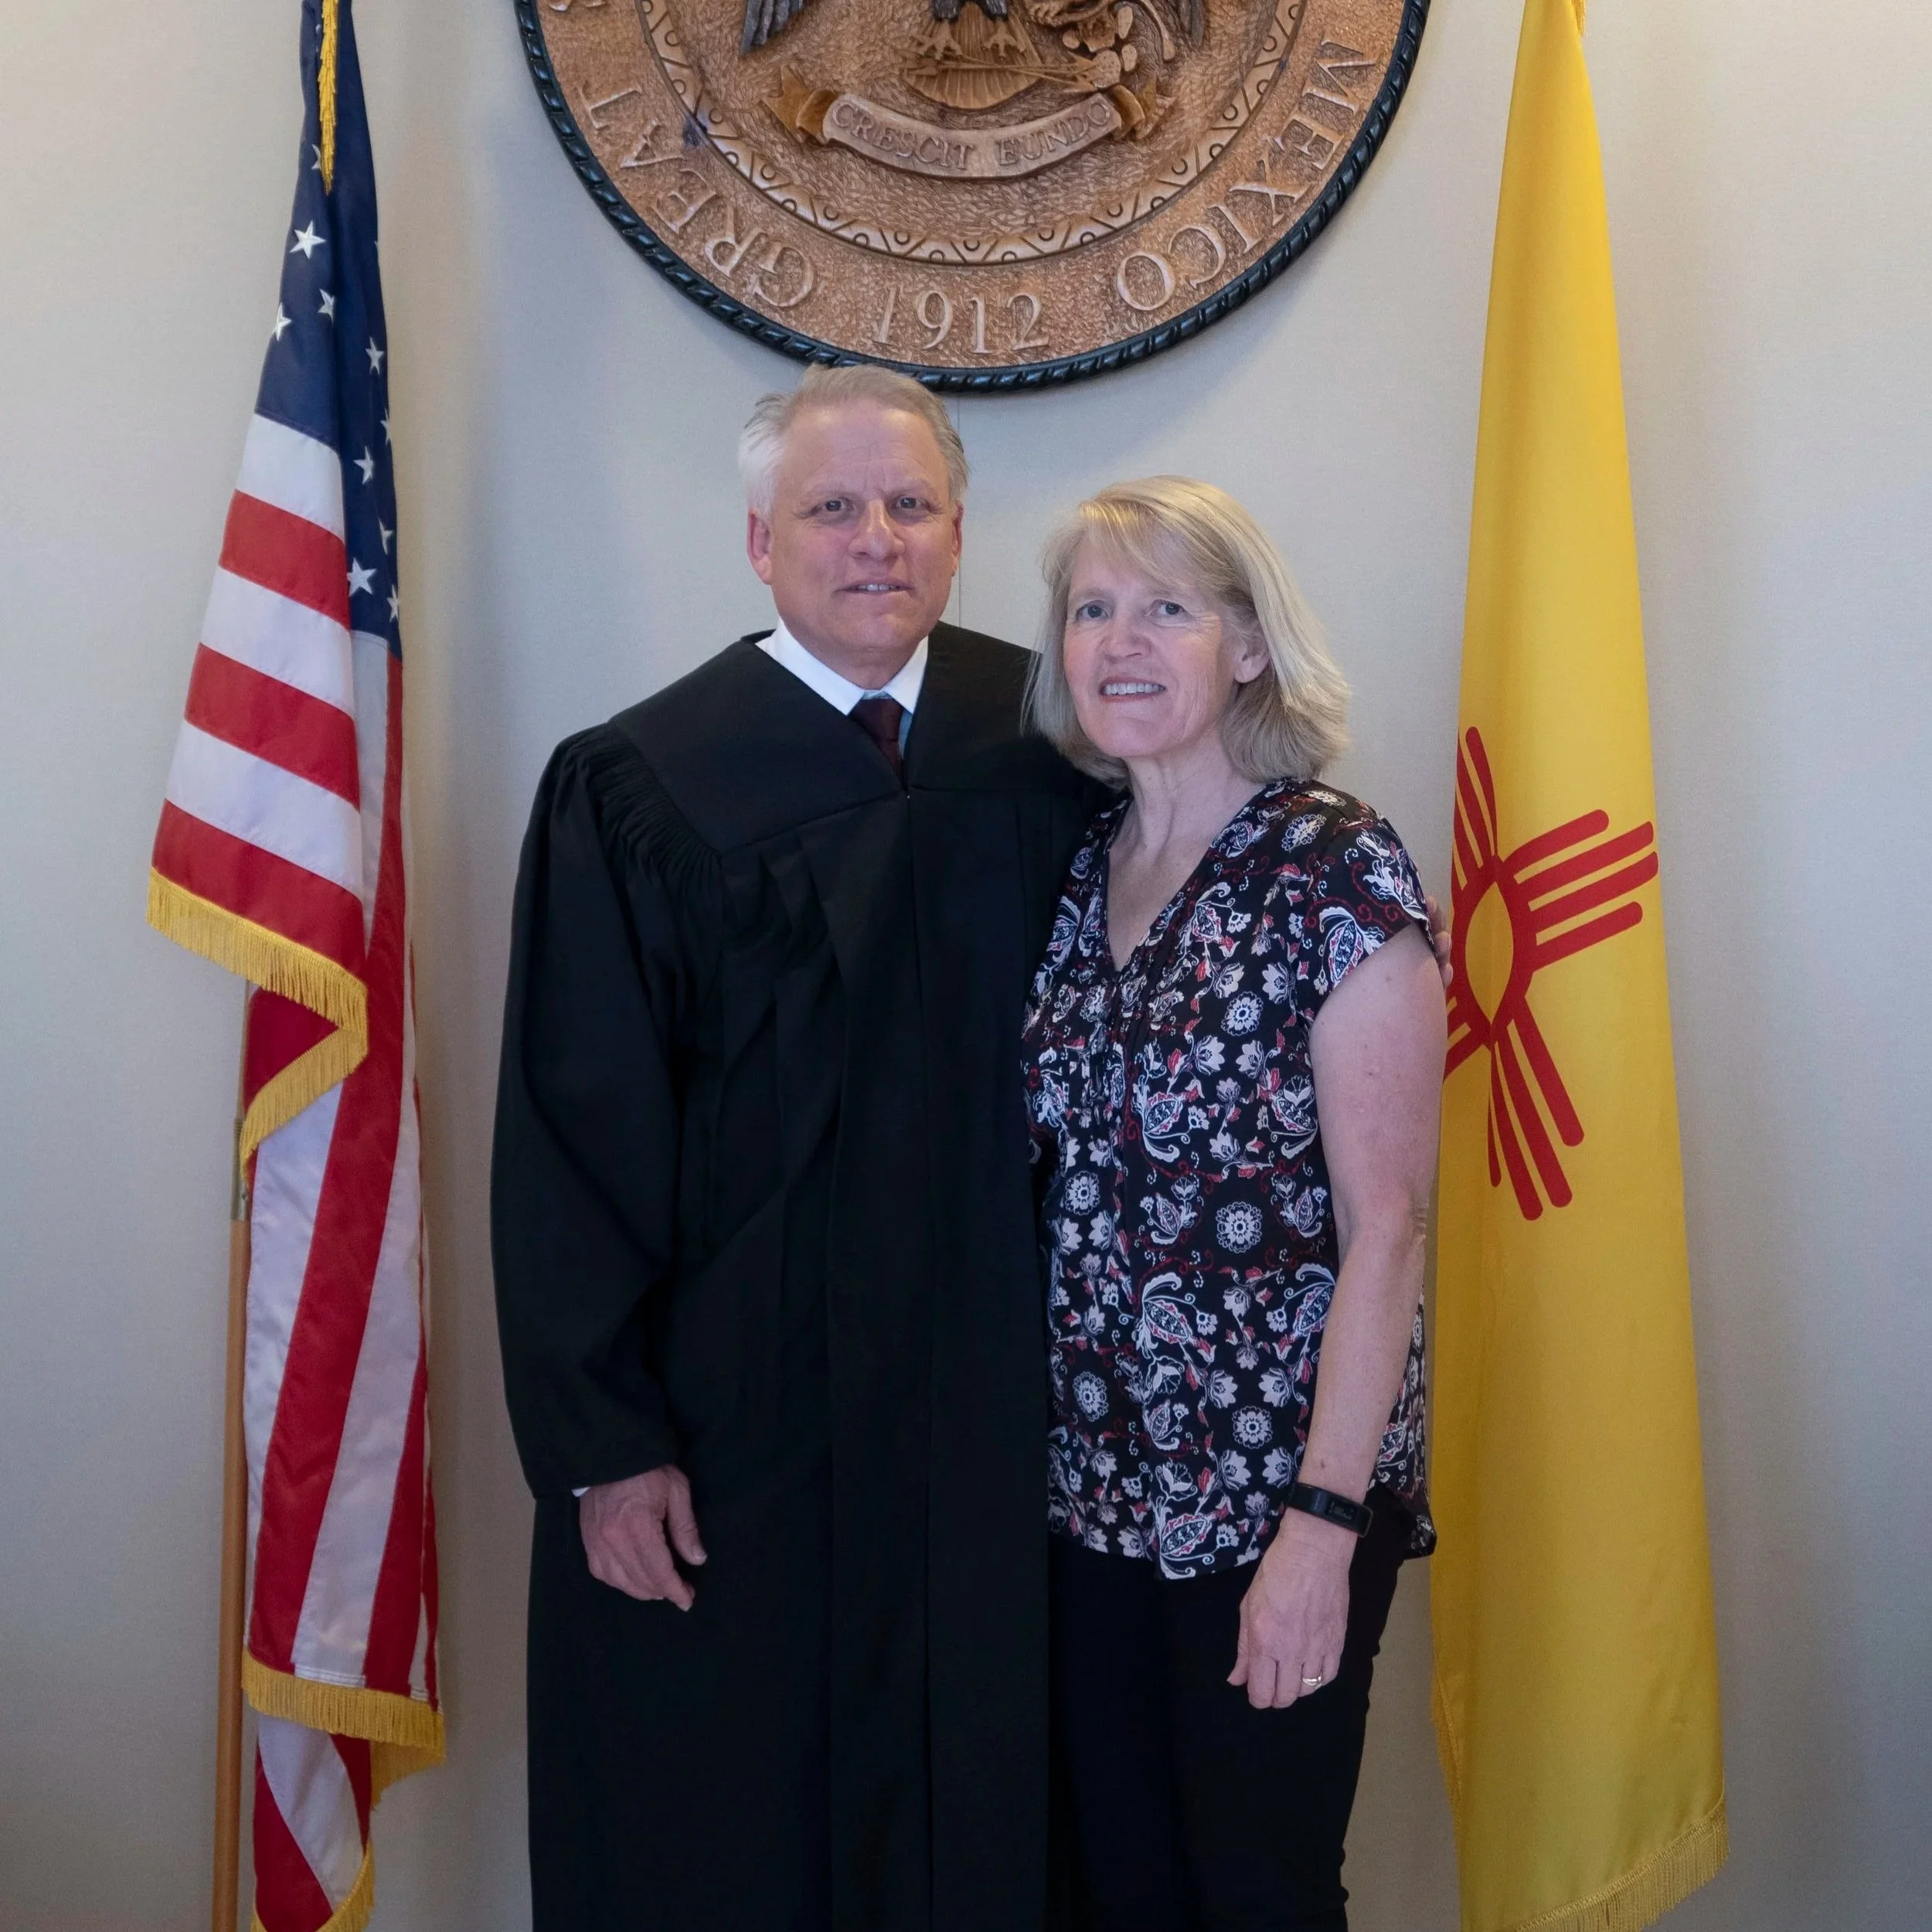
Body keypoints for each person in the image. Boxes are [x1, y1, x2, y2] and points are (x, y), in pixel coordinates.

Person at [490, 364, 1105, 1931]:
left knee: (1008, 1795)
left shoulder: (1053, 744)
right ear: (761, 540)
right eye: (832, 507)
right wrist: (604, 1441)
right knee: (732, 1813)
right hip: (737, 1417)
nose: (874, 540)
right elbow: (572, 1131)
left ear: (960, 533)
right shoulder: (639, 786)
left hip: (1002, 1409)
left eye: (909, 505)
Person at [1021, 478, 1447, 1931]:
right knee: (1123, 1888)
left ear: (1248, 646)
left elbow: (1388, 1228)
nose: (1121, 641)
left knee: (1257, 1889)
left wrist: (1320, 1532)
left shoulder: (1335, 869)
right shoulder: (1081, 875)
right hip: (1092, 1501)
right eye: (1092, 608)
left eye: (1167, 607)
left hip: (1273, 1496)